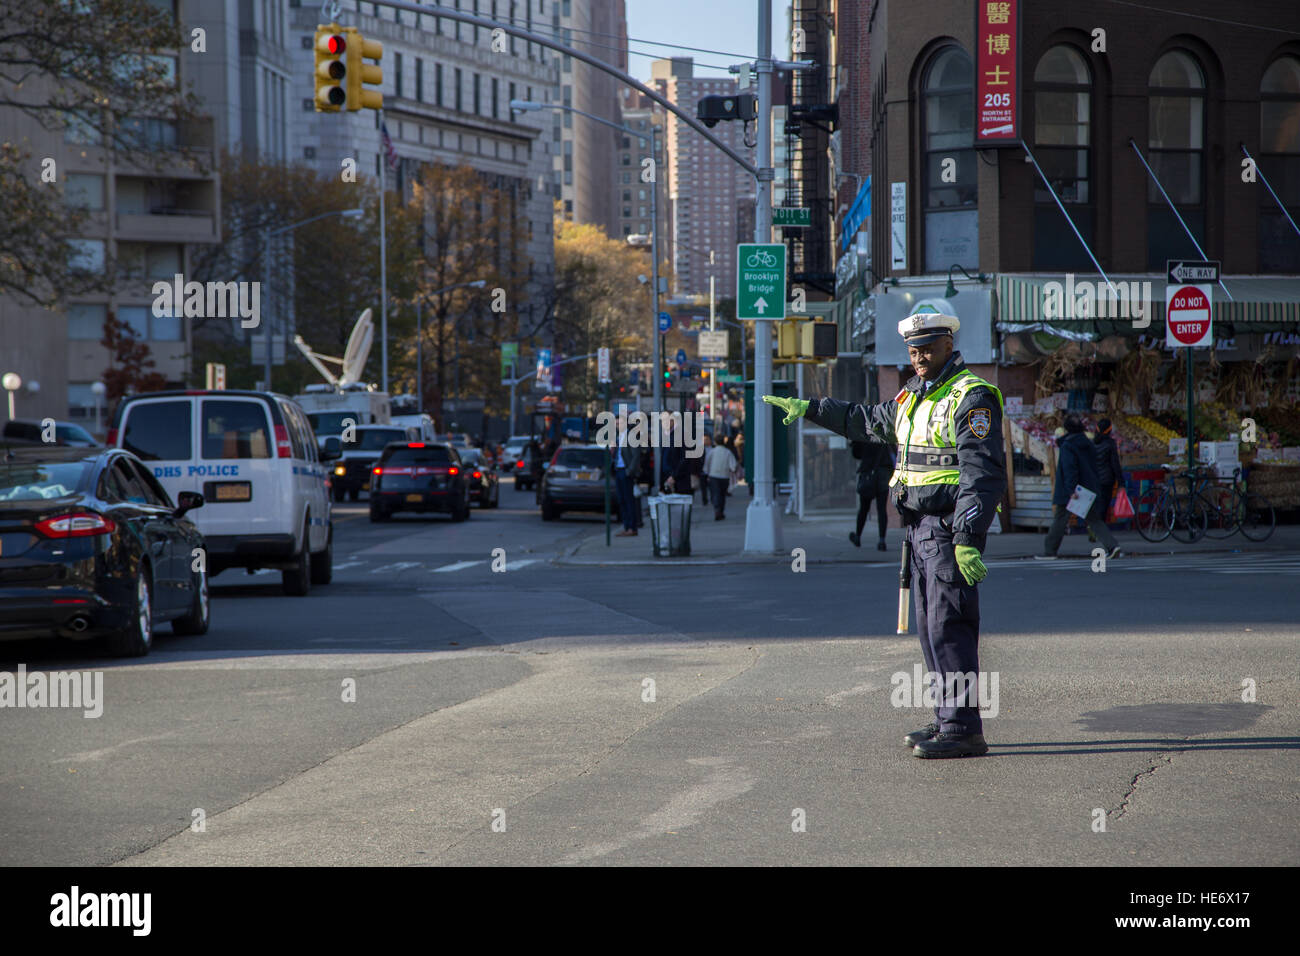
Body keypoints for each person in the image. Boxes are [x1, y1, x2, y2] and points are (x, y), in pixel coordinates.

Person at [762, 310, 1006, 759]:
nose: (919, 358)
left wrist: (969, 535)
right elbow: (867, 420)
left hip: (948, 527)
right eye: (914, 351)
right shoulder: (914, 395)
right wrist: (813, 409)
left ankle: (963, 729)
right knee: (932, 629)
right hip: (918, 531)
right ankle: (946, 718)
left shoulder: (971, 396)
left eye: (927, 349)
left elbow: (983, 473)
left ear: (949, 345)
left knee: (950, 626)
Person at [1038, 414, 1121, 559]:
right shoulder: (1089, 443)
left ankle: (1049, 551)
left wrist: (1071, 490)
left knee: (1060, 518)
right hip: (1089, 488)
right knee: (1094, 519)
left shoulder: (1068, 446)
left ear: (1066, 429)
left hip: (1073, 490)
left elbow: (1070, 469)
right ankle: (1112, 546)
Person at [849, 438, 891, 551]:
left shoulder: (864, 433)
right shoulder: (884, 432)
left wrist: (854, 442)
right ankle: (882, 541)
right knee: (881, 509)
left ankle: (858, 536)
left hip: (868, 474)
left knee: (864, 508)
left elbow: (857, 453)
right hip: (883, 474)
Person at [612, 413, 642, 537]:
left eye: (620, 423)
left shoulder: (631, 435)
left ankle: (632, 527)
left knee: (629, 500)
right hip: (618, 469)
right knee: (621, 500)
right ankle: (626, 526)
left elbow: (636, 455)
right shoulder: (618, 436)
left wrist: (629, 471)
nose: (618, 426)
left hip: (625, 470)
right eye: (617, 424)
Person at [703, 433, 738, 519]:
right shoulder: (727, 452)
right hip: (724, 476)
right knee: (722, 494)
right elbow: (733, 465)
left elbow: (707, 462)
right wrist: (733, 470)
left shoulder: (712, 452)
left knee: (715, 493)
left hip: (713, 475)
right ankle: (720, 510)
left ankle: (717, 509)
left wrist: (706, 472)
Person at [1093, 417, 1124, 510]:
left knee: (1094, 509)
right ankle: (1099, 524)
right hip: (1106, 481)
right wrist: (1121, 483)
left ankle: (1094, 524)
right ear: (1110, 430)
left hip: (1093, 480)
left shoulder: (1091, 443)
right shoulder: (1110, 444)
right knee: (1102, 509)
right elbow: (1115, 464)